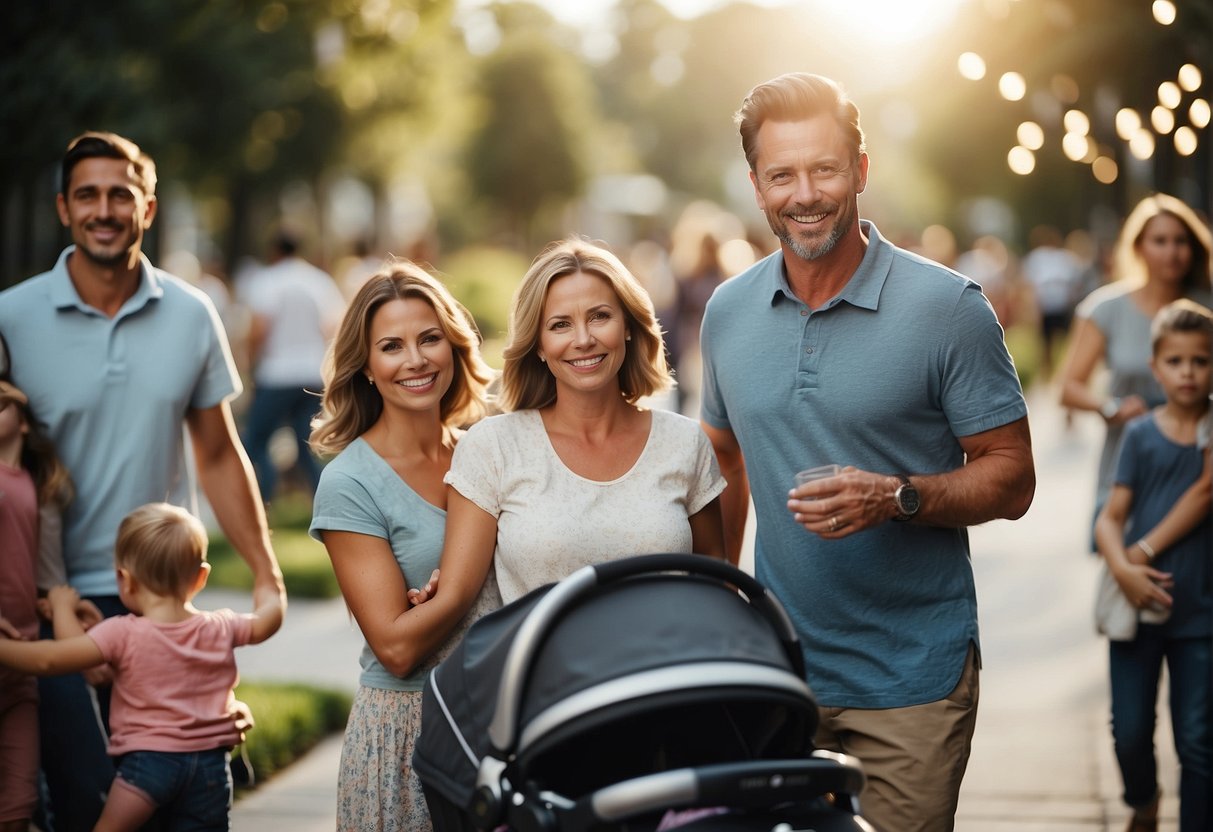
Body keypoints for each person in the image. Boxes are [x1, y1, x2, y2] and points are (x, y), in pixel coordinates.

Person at [698, 73, 1035, 831]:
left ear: (859, 169)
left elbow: (1012, 479)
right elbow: (722, 460)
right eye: (781, 175)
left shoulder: (947, 309)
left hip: (911, 677)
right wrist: (715, 609)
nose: (805, 193)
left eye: (823, 169)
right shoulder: (726, 312)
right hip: (779, 677)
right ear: (755, 186)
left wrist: (895, 497)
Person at [0, 130, 285, 831]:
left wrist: (266, 572)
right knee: (86, 800)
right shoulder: (10, 317)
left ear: (147, 209)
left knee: (173, 787)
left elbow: (218, 454)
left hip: (160, 593)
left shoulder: (191, 313)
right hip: (52, 595)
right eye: (88, 195)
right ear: (64, 209)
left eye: (121, 195)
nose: (105, 209)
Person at [409, 238, 726, 623]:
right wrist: (419, 608)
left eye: (599, 316)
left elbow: (715, 589)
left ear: (627, 325)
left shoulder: (684, 443)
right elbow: (461, 600)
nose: (583, 339)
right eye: (560, 325)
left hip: (665, 676)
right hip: (546, 679)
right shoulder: (493, 447)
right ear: (538, 345)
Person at [307, 262, 502, 831]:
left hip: (496, 721)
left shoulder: (487, 454)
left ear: (454, 346)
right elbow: (395, 647)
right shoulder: (351, 482)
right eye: (391, 346)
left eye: (429, 338)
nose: (415, 360)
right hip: (406, 729)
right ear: (366, 366)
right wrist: (460, 589)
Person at [0, 502, 283, 832]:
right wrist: (270, 587)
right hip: (209, 768)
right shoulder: (221, 626)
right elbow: (268, 620)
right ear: (201, 577)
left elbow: (52, 658)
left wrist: (61, 609)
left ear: (125, 579)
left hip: (148, 767)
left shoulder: (123, 632)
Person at [1093, 300, 1212, 832]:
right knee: (1131, 731)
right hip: (1139, 607)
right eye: (1176, 361)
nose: (1188, 372)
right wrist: (1123, 568)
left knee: (1199, 740)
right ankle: (1143, 801)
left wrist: (1142, 553)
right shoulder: (1140, 435)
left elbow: (1206, 491)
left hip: (1203, 616)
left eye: (1201, 361)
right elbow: (1110, 517)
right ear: (1156, 364)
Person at [1059, 194, 1213, 547]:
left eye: (1181, 241)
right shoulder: (1106, 308)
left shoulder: (1207, 306)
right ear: (1140, 247)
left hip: (1200, 455)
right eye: (1160, 241)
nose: (1172, 251)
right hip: (1132, 456)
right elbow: (1068, 387)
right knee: (1124, 559)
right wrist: (1110, 407)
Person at [0, 379, 75, 832]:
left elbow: (44, 573)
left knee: (21, 797)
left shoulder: (38, 484)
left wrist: (60, 604)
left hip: (23, 664)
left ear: (23, 423)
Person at [241, 229, 346, 504]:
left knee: (255, 440)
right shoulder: (319, 281)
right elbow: (333, 327)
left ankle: (264, 499)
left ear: (275, 251)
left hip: (277, 374)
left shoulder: (267, 280)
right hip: (312, 373)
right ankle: (326, 502)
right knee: (307, 444)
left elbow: (258, 330)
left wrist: (249, 364)